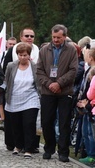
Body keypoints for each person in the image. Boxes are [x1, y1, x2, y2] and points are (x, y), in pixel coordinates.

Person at [37, 24, 77, 162]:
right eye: (53, 37)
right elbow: (39, 70)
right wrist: (49, 84)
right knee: (47, 121)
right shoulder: (44, 50)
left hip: (65, 91)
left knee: (64, 122)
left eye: (58, 37)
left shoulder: (71, 50)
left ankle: (63, 151)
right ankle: (49, 147)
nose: (55, 40)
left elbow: (73, 70)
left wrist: (59, 83)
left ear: (64, 37)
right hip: (47, 91)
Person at [2, 28, 40, 152]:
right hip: (14, 97)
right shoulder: (11, 64)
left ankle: (30, 147)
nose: (29, 38)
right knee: (16, 124)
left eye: (32, 36)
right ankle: (17, 145)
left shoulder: (36, 63)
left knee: (29, 123)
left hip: (31, 97)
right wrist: (0, 92)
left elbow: (39, 80)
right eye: (27, 35)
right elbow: (6, 80)